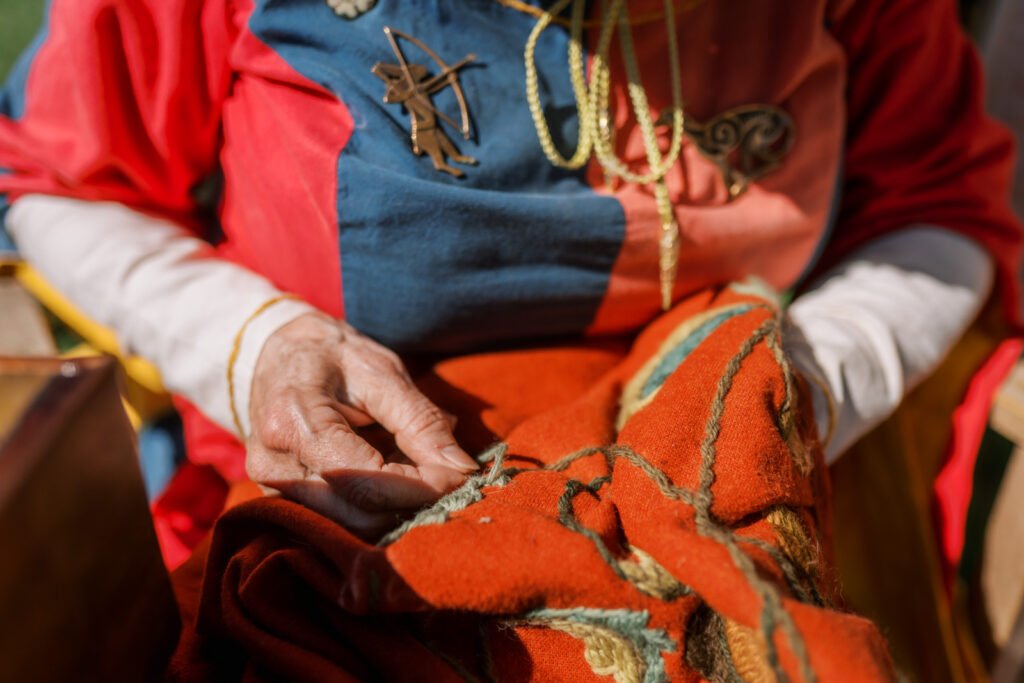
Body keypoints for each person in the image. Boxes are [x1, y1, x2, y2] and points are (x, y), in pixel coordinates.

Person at [0, 0, 1018, 549]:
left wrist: (805, 382)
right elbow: (56, 182)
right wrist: (256, 344)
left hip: (770, 493)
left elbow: (936, 200)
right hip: (324, 506)